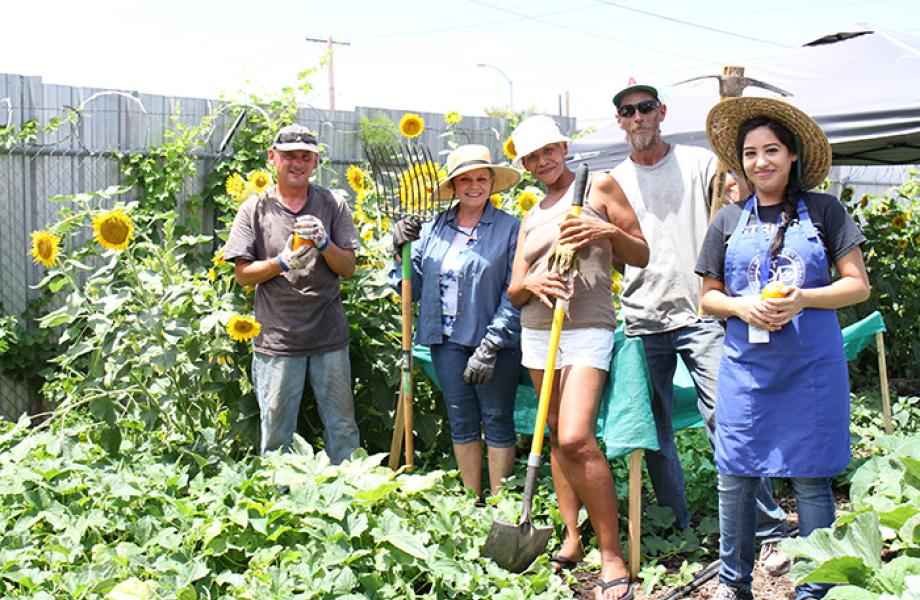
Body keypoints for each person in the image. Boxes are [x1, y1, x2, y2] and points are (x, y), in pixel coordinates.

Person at [610, 83, 789, 574]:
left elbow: (744, 202)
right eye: (628, 111)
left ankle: (769, 529)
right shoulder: (615, 180)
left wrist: (736, 183)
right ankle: (676, 527)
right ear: (620, 121)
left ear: (661, 112)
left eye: (646, 107)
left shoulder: (700, 163)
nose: (638, 117)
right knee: (657, 432)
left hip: (702, 315)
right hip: (642, 317)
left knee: (729, 421)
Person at [696, 97, 870, 600]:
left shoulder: (824, 210)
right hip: (747, 370)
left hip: (811, 367)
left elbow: (857, 285)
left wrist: (803, 300)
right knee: (736, 475)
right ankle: (734, 585)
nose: (760, 162)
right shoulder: (727, 220)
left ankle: (815, 589)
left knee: (812, 476)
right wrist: (741, 307)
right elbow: (707, 298)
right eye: (750, 153)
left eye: (771, 150)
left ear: (791, 155)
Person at [507, 115, 648, 600]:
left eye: (548, 150)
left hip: (586, 325)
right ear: (524, 165)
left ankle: (612, 554)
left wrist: (602, 231)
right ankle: (571, 535)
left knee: (576, 437)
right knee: (553, 438)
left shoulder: (601, 187)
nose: (542, 161)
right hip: (537, 332)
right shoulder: (533, 214)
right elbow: (513, 288)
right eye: (531, 157)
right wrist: (531, 283)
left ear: (563, 147)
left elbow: (641, 253)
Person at [390, 144, 523, 498]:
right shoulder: (434, 229)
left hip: (493, 344)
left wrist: (492, 344)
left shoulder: (511, 229)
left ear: (492, 182)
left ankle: (500, 505)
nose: (474, 186)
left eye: (481, 178)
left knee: (496, 419)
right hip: (445, 341)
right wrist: (399, 251)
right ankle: (471, 501)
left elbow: (515, 292)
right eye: (466, 179)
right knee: (461, 420)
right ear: (454, 185)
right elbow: (410, 287)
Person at [224, 124, 361, 464]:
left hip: (328, 335)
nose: (297, 163)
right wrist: (281, 262)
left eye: (305, 156)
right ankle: (279, 502)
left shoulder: (332, 204)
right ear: (273, 158)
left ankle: (349, 495)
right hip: (278, 338)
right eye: (289, 156)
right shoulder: (255, 209)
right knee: (277, 432)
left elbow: (348, 268)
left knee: (342, 428)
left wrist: (325, 243)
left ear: (315, 162)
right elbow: (243, 275)